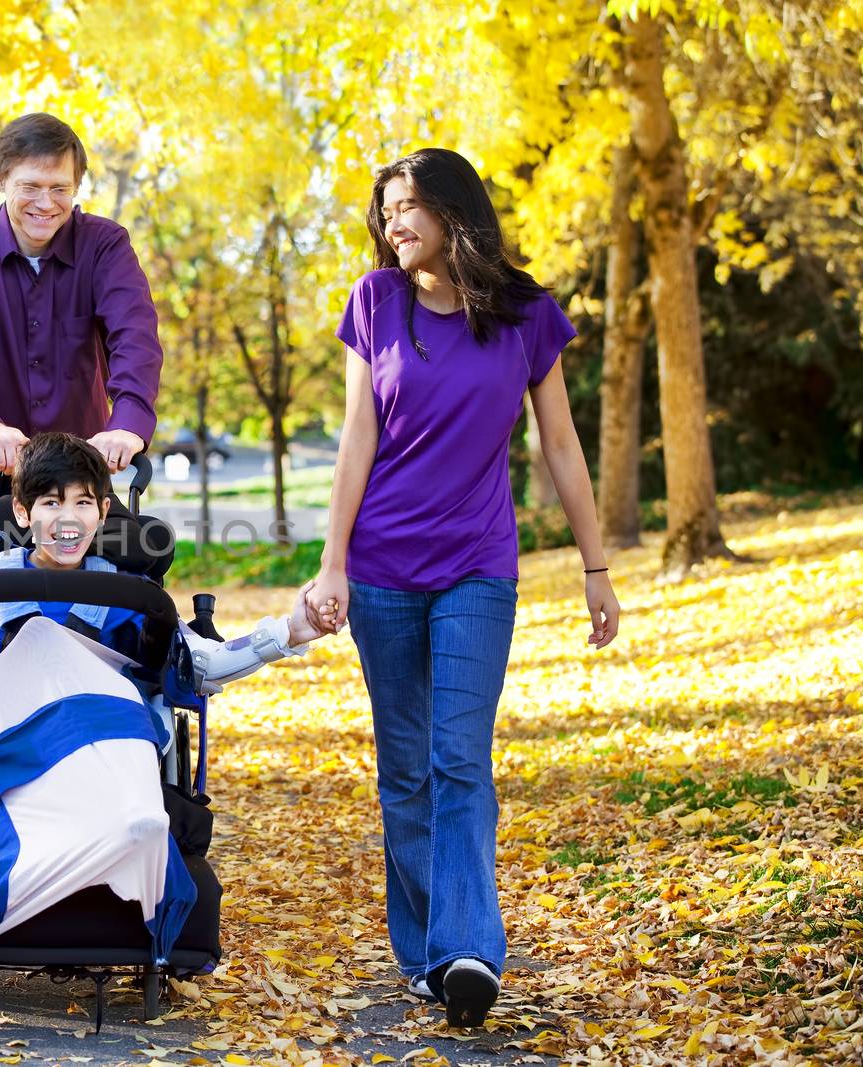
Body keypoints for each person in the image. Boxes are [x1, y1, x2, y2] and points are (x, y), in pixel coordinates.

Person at [0, 433, 331, 960]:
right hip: (10, 750)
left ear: (103, 512)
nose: (67, 519)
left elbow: (203, 665)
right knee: (36, 653)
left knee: (132, 744)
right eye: (51, 502)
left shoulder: (130, 597)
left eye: (83, 503)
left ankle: (80, 855)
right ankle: (59, 857)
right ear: (22, 512)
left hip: (100, 748)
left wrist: (290, 632)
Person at [305, 148, 621, 1028]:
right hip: (381, 569)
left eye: (409, 206)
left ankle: (470, 947)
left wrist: (596, 567)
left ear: (453, 212)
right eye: (387, 210)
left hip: (479, 564)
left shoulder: (526, 314)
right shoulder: (375, 303)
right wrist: (333, 562)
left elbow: (561, 445)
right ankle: (424, 954)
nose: (394, 223)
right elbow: (357, 437)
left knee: (458, 758)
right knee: (406, 769)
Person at [0, 113, 164, 517]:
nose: (46, 203)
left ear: (77, 186)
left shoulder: (105, 247)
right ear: (1, 180)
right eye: (30, 187)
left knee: (128, 570)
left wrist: (127, 424)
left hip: (79, 478)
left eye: (59, 189)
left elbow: (135, 339)